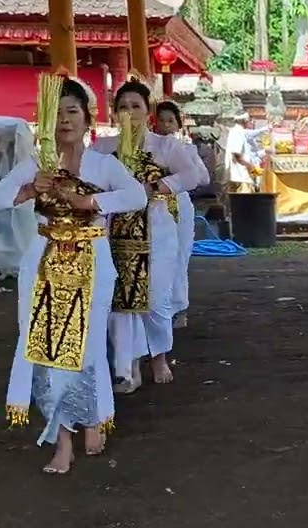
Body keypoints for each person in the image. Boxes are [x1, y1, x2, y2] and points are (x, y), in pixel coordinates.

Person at [0, 77, 147, 474]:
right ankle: (62, 439)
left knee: (86, 347)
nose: (65, 120)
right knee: (45, 349)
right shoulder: (35, 167)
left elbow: (136, 196)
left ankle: (91, 416)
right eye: (57, 113)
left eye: (73, 111)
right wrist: (24, 191)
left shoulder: (104, 166)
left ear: (88, 120)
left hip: (92, 259)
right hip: (42, 260)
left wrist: (88, 200)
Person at [92, 80, 205, 392]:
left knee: (155, 299)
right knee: (122, 301)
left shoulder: (164, 146)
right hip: (115, 230)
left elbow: (192, 175)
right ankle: (129, 365)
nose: (129, 112)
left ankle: (159, 355)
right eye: (123, 107)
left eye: (136, 106)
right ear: (114, 113)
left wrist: (155, 188)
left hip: (156, 227)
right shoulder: (102, 149)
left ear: (148, 111)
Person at [154, 100, 202, 329]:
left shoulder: (185, 148)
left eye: (170, 121)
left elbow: (202, 178)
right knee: (158, 259)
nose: (164, 126)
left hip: (179, 206)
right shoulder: (148, 147)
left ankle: (179, 307)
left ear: (178, 124)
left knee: (179, 258)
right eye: (160, 121)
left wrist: (174, 177)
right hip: (154, 208)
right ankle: (160, 307)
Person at [224, 112, 258, 194]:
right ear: (245, 121)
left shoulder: (234, 131)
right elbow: (236, 154)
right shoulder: (238, 132)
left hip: (236, 176)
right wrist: (250, 166)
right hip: (241, 177)